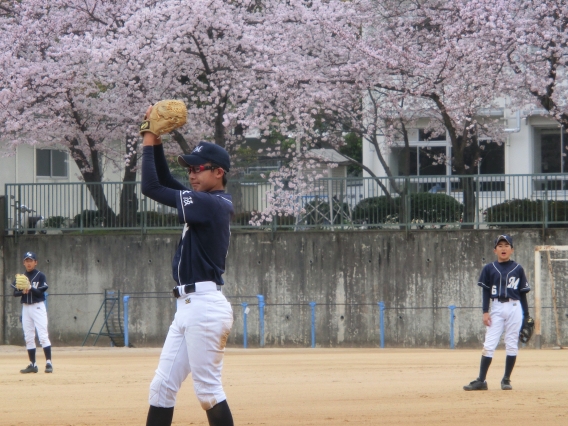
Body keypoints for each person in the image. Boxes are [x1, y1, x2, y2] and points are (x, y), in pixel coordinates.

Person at [140, 105, 235, 426]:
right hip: (188, 307)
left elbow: (151, 187)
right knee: (161, 388)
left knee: (208, 392)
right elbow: (164, 179)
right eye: (190, 169)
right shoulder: (205, 200)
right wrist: (154, 141)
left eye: (199, 169)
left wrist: (150, 134)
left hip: (205, 309)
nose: (191, 174)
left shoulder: (211, 204)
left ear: (218, 172)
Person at [463, 234, 530, 391]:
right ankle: (481, 380)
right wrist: (485, 311)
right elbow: (486, 291)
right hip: (497, 307)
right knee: (489, 344)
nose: (503, 248)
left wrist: (526, 316)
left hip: (515, 307)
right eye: (500, 246)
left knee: (512, 343)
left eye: (507, 245)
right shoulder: (489, 268)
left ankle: (506, 379)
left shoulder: (518, 269)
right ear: (495, 250)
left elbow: (522, 293)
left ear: (512, 249)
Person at [11, 251, 53, 374]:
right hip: (26, 308)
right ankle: (33, 364)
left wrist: (30, 288)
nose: (29, 263)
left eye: (31, 261)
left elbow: (41, 292)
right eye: (26, 261)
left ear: (35, 262)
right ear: (24, 263)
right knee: (29, 337)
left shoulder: (40, 276)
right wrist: (22, 292)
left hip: (38, 307)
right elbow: (14, 293)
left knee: (43, 335)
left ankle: (48, 363)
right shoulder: (21, 277)